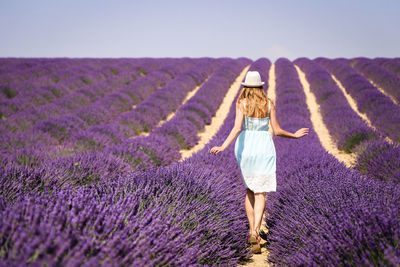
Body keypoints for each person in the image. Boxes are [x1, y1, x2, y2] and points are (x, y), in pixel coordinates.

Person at [209, 71, 309, 254]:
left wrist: (223, 146)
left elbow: (237, 127)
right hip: (264, 148)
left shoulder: (242, 103)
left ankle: (251, 231)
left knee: (249, 190)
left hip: (246, 148)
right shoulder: (269, 103)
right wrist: (294, 135)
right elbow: (277, 131)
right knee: (261, 192)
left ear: (246, 87)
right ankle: (256, 230)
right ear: (261, 86)